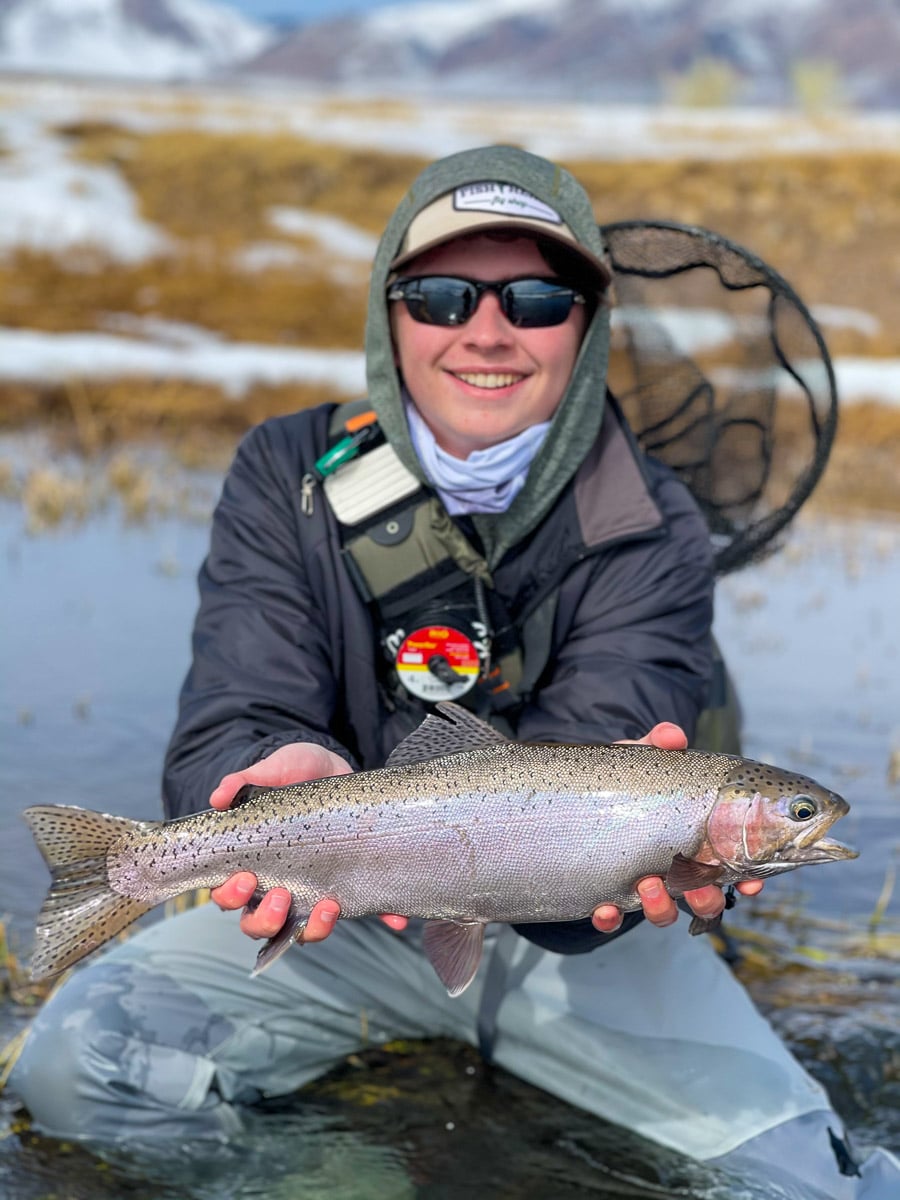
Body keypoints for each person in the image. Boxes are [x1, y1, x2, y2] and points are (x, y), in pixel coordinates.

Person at [9, 145, 899, 1197]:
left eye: (534, 297)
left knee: (817, 1181)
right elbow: (235, 705)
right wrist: (261, 767)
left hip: (582, 942)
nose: (486, 330)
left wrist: (629, 876)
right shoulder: (285, 473)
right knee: (76, 1073)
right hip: (336, 908)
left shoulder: (655, 520)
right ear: (391, 316)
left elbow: (607, 756)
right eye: (438, 295)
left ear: (587, 320)